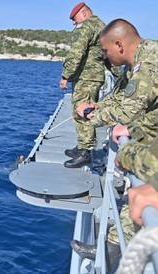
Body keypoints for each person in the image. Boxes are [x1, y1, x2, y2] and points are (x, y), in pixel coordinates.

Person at [71, 18, 158, 270]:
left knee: (150, 184)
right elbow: (122, 97)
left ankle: (112, 250)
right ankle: (109, 249)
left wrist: (89, 115)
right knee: (143, 187)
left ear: (119, 44)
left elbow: (129, 109)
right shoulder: (140, 60)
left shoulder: (148, 63)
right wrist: (99, 107)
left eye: (105, 51)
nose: (105, 56)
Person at [60, 2, 106, 168]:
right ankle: (81, 146)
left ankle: (85, 153)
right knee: (82, 111)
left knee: (82, 112)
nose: (73, 22)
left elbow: (76, 53)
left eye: (74, 18)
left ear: (84, 13)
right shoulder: (102, 26)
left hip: (86, 77)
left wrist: (66, 76)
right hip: (94, 77)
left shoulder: (87, 27)